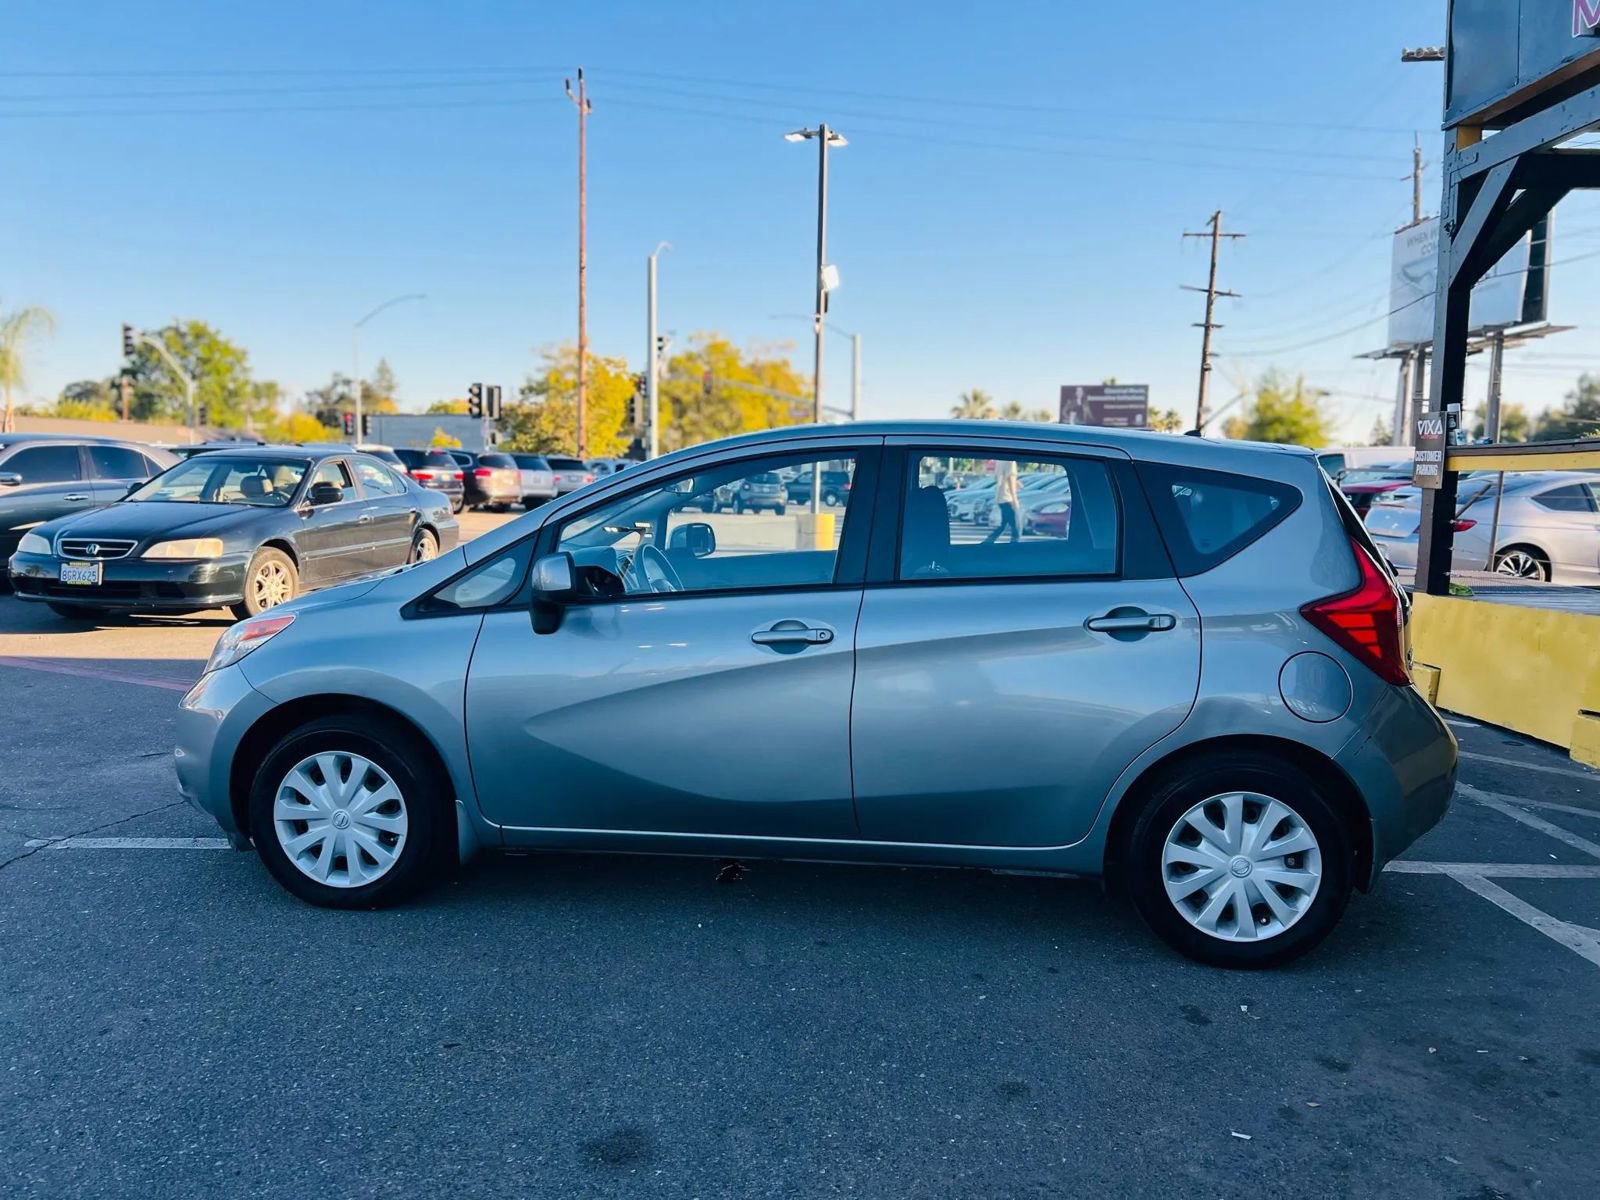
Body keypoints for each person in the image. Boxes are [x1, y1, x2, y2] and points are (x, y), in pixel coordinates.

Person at [985, 459, 1021, 544]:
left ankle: (987, 542)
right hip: (1008, 498)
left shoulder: (1000, 461)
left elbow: (998, 478)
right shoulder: (1011, 462)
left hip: (1001, 496)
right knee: (1016, 526)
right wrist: (1014, 499)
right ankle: (1015, 546)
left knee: (1004, 525)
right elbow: (1010, 478)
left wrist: (1015, 482)